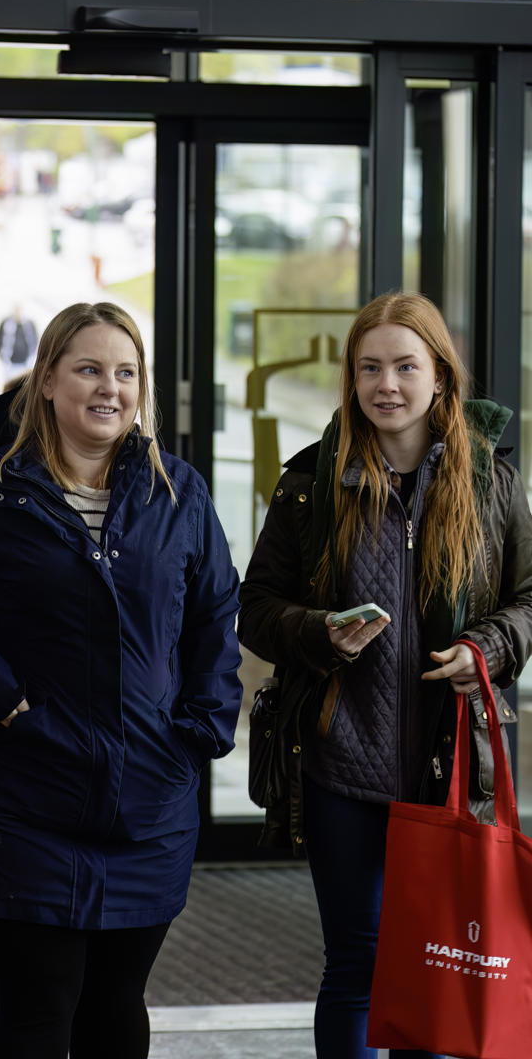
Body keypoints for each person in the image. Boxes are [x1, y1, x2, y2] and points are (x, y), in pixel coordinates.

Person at [0, 301, 243, 1059]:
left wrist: (203, 725)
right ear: (47, 379)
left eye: (125, 372)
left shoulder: (176, 490)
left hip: (150, 795)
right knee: (36, 1012)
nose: (109, 388)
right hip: (21, 792)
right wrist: (1, 698)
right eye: (88, 369)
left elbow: (218, 607)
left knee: (116, 1009)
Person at [237, 292, 532, 1059]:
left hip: (450, 767)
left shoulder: (492, 481)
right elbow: (257, 606)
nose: (387, 384)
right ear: (351, 379)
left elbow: (531, 598)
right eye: (369, 368)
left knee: (436, 970)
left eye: (406, 365)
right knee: (358, 968)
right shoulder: (312, 483)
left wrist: (488, 648)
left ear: (440, 375)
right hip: (343, 765)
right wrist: (321, 635)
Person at [0, 305, 38, 382]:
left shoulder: (29, 324)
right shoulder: (6, 324)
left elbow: (34, 340)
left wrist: (32, 356)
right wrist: (3, 357)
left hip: (26, 363)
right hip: (10, 364)